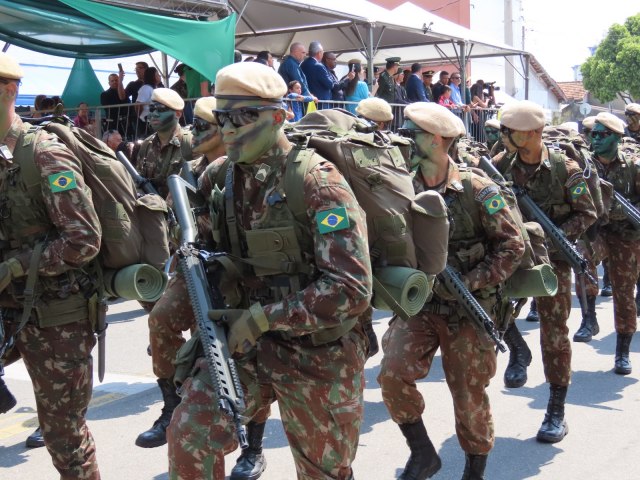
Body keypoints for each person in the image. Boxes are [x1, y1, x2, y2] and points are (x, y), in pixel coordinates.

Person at [167, 60, 372, 480]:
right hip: (247, 348)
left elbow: (350, 288)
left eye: (243, 115)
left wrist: (262, 319)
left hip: (319, 352)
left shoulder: (317, 182)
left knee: (324, 472)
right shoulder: (219, 178)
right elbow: (199, 246)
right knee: (189, 437)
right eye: (222, 117)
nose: (228, 128)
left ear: (278, 117)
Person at [379, 101, 525, 480]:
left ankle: (474, 470)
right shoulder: (400, 185)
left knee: (468, 394)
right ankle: (423, 452)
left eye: (413, 134)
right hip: (421, 305)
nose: (405, 139)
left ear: (439, 140)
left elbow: (512, 246)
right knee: (392, 374)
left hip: (468, 308)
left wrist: (471, 282)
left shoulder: (477, 189)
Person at [0, 52, 101, 478]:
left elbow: (84, 239)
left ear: (9, 90)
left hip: (56, 317)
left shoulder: (43, 154)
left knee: (64, 436)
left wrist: (15, 267)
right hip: (7, 311)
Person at [494, 100, 597, 443]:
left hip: (553, 261)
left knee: (554, 335)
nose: (506, 136)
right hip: (513, 258)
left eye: (514, 131)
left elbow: (587, 213)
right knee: (493, 314)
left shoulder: (565, 169)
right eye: (505, 130)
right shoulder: (500, 165)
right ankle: (517, 350)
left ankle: (556, 409)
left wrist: (553, 237)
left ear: (536, 132)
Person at [135, 97, 224, 450]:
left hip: (239, 273)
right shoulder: (189, 169)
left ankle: (253, 444)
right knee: (161, 321)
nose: (195, 133)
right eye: (196, 126)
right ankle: (171, 406)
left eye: (203, 127)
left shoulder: (242, 166)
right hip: (193, 264)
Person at [589, 112, 640, 374]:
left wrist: (620, 211)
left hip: (626, 235)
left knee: (623, 291)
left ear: (617, 138)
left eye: (601, 135)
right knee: (582, 262)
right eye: (593, 134)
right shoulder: (585, 165)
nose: (594, 139)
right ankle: (589, 318)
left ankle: (622, 351)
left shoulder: (633, 166)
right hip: (596, 232)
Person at [133, 88, 191, 199]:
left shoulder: (189, 143)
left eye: (161, 109)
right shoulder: (146, 145)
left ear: (178, 114)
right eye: (152, 108)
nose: (154, 114)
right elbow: (138, 180)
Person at [100, 72, 130, 137]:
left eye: (116, 80)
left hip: (125, 123)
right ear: (109, 83)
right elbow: (108, 107)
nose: (114, 82)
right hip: (112, 123)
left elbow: (126, 102)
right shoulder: (104, 94)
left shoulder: (124, 92)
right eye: (112, 81)